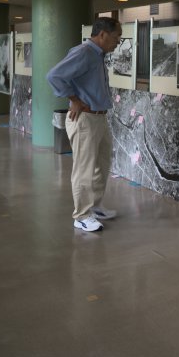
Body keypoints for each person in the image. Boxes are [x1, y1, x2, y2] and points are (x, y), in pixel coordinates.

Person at [46, 17, 122, 232]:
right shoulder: (84, 53)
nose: (118, 42)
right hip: (85, 120)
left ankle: (95, 207)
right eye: (116, 37)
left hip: (99, 117)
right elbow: (54, 76)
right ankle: (81, 215)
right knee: (84, 169)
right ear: (103, 35)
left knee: (102, 164)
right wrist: (74, 99)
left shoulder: (98, 56)